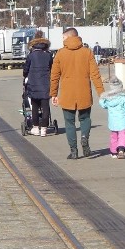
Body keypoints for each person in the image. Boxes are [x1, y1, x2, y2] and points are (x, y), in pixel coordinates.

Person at [50, 27, 105, 159]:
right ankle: (84, 138)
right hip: (84, 92)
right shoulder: (87, 53)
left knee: (69, 123)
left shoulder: (60, 54)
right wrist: (101, 93)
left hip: (67, 94)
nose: (62, 40)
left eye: (63, 38)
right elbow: (95, 75)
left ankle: (74, 151)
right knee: (85, 119)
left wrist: (53, 94)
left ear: (69, 37)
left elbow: (54, 76)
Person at [23, 30, 54, 137]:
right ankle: (44, 129)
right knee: (45, 106)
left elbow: (25, 69)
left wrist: (25, 76)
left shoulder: (31, 56)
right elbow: (52, 68)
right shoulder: (48, 55)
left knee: (35, 106)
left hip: (33, 83)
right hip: (45, 83)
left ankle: (35, 127)